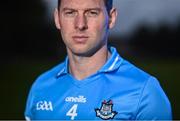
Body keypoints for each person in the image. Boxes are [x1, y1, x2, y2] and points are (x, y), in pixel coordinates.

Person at [24, 0, 172, 120]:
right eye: (70, 13)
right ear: (57, 19)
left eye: (92, 13)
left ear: (111, 18)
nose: (80, 24)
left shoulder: (145, 92)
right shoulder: (41, 87)